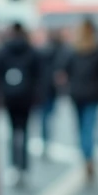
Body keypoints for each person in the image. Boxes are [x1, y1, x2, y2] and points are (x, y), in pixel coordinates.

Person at [0, 22, 40, 187]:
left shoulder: (4, 50)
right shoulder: (31, 50)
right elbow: (38, 75)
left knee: (13, 131)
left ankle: (14, 165)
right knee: (25, 131)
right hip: (26, 98)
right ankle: (24, 167)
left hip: (10, 97)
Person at [65, 18, 98, 181]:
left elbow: (65, 70)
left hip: (77, 94)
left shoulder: (74, 50)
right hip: (93, 94)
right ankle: (88, 156)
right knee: (89, 128)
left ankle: (86, 155)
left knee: (81, 127)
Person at [37, 28, 69, 159]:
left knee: (44, 117)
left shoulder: (41, 52)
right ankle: (47, 141)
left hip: (43, 88)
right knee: (49, 115)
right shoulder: (61, 52)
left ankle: (45, 140)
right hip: (52, 88)